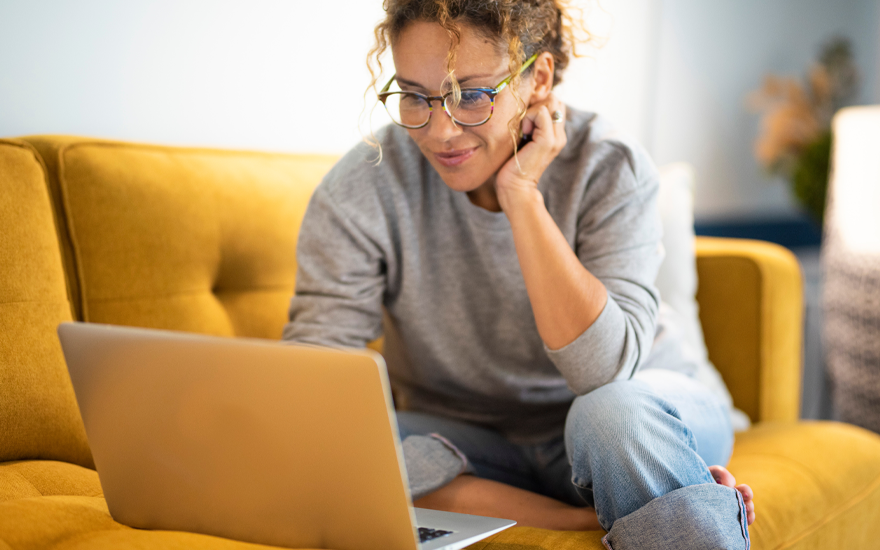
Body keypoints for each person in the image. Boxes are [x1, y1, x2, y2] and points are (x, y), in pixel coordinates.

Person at [284, 0, 754, 547]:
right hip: (471, 442)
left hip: (631, 412)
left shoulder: (608, 165)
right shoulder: (362, 187)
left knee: (612, 417)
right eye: (414, 96)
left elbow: (603, 372)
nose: (440, 131)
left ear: (539, 79)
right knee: (337, 444)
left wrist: (522, 197)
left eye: (472, 95)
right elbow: (314, 382)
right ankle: (588, 513)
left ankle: (634, 492)